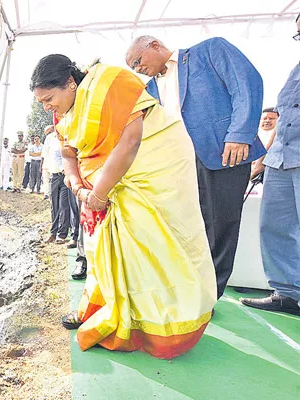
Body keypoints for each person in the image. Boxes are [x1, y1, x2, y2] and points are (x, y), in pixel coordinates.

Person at [31, 54, 216, 358]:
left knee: (149, 247)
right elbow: (68, 154)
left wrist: (99, 193)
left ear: (70, 83)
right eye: (41, 102)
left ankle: (158, 327)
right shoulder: (62, 113)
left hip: (150, 176)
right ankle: (110, 311)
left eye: (49, 98)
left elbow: (131, 141)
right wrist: (78, 184)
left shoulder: (111, 83)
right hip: (99, 189)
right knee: (102, 250)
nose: (47, 107)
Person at [126, 36, 265, 301]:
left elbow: (247, 83)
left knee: (220, 225)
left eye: (137, 61)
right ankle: (188, 287)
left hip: (223, 153)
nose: (138, 69)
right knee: (187, 226)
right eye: (133, 68)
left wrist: (239, 134)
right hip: (178, 164)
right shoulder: (148, 89)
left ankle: (209, 295)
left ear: (154, 45)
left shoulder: (209, 51)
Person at [240, 15, 300, 316]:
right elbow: (283, 119)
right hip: (280, 160)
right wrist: (262, 160)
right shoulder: (295, 71)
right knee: (274, 227)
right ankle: (287, 294)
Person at [42, 125, 71, 244]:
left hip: (65, 176)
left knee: (63, 205)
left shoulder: (68, 135)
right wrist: (45, 171)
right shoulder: (50, 138)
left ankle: (62, 234)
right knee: (54, 206)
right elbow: (46, 156)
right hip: (54, 175)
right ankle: (53, 233)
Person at [251, 108, 279, 179]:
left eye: (271, 118)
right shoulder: (251, 135)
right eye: (264, 118)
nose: (267, 121)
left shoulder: (279, 137)